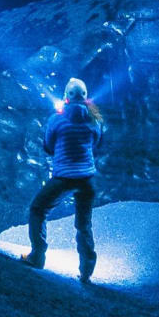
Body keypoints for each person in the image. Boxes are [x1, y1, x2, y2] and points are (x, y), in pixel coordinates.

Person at [26, 78, 103, 280]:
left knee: (37, 210)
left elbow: (48, 146)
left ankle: (37, 256)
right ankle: (86, 271)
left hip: (63, 178)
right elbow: (96, 145)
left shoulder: (56, 120)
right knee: (84, 224)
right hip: (87, 180)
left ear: (66, 97)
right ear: (86, 97)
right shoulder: (94, 121)